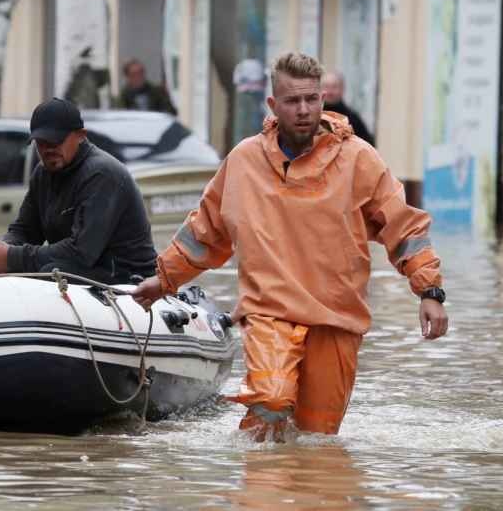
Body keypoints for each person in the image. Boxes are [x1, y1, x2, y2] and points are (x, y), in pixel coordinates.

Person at [132, 53, 449, 440]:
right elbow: (205, 232)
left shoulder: (358, 160)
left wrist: (429, 291)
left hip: (337, 318)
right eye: (292, 101)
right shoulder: (245, 161)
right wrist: (164, 280)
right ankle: (259, 492)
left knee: (317, 439)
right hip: (269, 312)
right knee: (270, 399)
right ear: (273, 105)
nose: (304, 110)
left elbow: (404, 225)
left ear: (322, 100)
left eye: (312, 99)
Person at [0, 98, 157, 284]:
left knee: (50, 272)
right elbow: (25, 230)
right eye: (42, 142)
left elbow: (82, 251)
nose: (48, 148)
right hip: (85, 270)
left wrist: (11, 258)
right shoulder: (42, 174)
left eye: (56, 140)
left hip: (130, 278)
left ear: (81, 135)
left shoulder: (102, 174)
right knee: (21, 273)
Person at [322, 71, 374, 147]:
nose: (330, 91)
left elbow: (368, 147)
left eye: (334, 87)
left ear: (342, 89)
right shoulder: (314, 117)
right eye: (326, 87)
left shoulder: (353, 119)